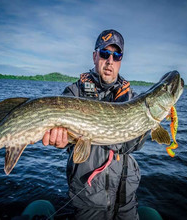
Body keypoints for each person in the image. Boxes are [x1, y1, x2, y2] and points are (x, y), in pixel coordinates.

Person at [42, 29, 149, 220]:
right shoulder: (75, 92)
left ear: (120, 61)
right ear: (94, 56)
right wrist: (62, 141)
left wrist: (150, 121)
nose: (110, 61)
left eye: (116, 56)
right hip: (88, 198)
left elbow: (134, 144)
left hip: (126, 198)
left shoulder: (131, 98)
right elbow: (65, 138)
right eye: (104, 53)